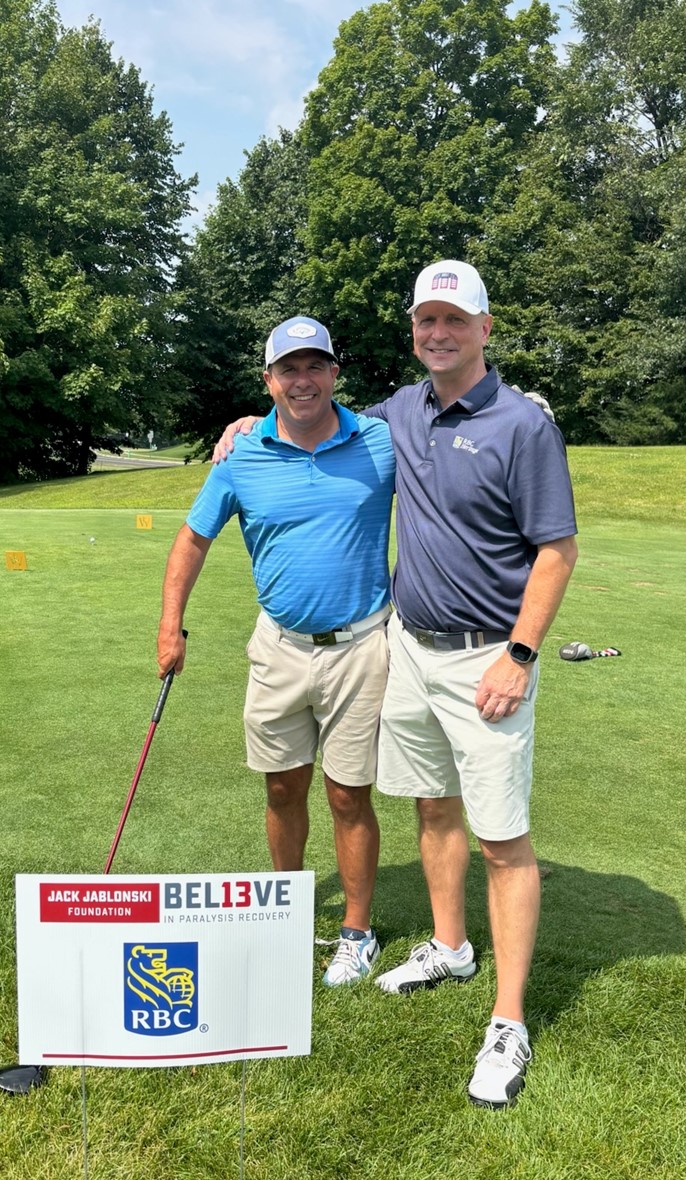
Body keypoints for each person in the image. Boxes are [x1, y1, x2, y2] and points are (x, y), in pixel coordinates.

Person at [215, 260, 578, 1110]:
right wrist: (249, 420)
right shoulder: (398, 416)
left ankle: (509, 1020)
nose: (438, 333)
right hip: (408, 648)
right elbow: (309, 411)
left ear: (486, 327)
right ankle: (449, 944)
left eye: (455, 319)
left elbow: (557, 551)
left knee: (503, 838)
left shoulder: (524, 424)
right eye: (425, 320)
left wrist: (520, 656)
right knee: (430, 806)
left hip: (489, 657)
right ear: (414, 330)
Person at [156, 316, 397, 987]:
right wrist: (170, 624)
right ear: (268, 380)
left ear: (334, 375)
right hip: (279, 648)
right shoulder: (242, 456)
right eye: (288, 369)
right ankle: (284, 915)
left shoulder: (379, 442)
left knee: (350, 795)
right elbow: (192, 541)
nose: (303, 380)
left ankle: (357, 931)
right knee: (283, 786)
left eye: (315, 365)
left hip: (360, 648)